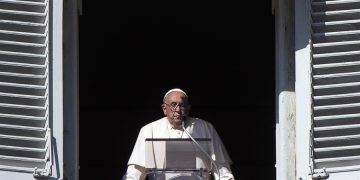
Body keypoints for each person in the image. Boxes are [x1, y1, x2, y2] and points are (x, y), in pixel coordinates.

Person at [122, 88, 234, 180]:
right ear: (164, 109)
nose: (178, 109)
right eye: (173, 105)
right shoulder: (149, 130)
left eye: (182, 105)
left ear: (188, 108)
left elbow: (221, 169)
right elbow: (135, 173)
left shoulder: (205, 127)